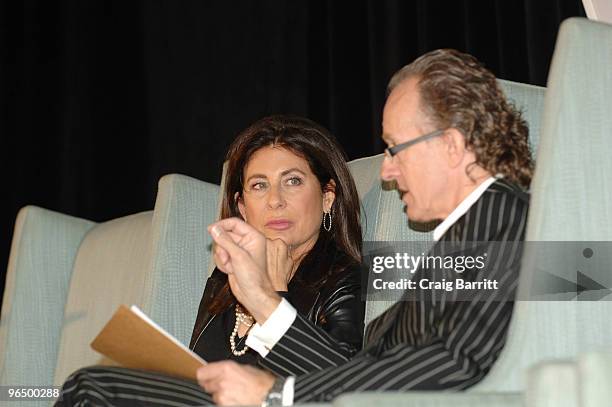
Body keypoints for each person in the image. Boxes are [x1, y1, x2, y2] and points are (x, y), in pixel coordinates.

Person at [198, 48, 532, 406]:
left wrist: (278, 393)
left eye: (394, 148)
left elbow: (456, 360)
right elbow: (358, 370)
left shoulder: (503, 216)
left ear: (450, 145)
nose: (386, 171)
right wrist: (261, 298)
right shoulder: (472, 233)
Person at [56, 115, 365, 405]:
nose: (275, 200)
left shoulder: (346, 277)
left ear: (328, 196)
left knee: (92, 385)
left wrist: (272, 294)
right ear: (242, 208)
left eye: (293, 181)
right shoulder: (223, 282)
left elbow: (345, 388)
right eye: (259, 185)